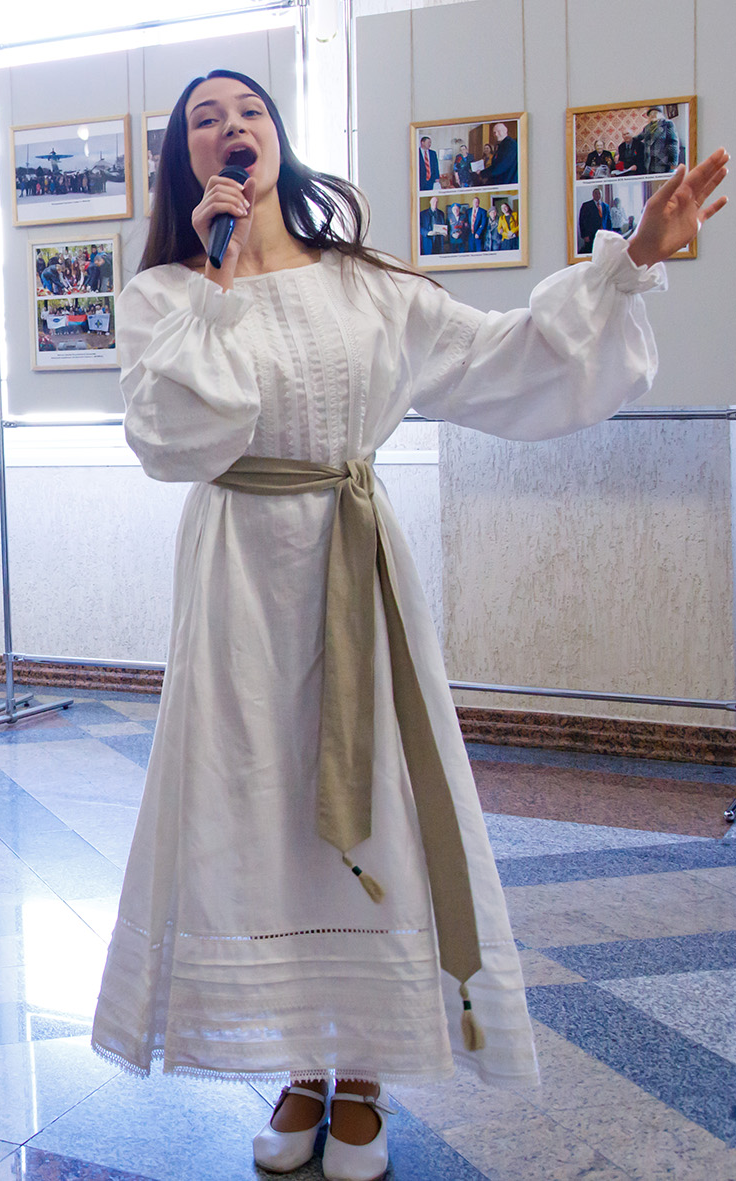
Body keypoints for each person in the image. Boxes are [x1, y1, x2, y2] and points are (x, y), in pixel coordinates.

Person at [94, 67, 726, 1181]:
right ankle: (300, 1061)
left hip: (353, 565)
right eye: (204, 120)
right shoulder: (164, 294)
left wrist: (629, 260)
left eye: (248, 110)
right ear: (184, 162)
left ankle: (365, 1071)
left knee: (370, 794)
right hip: (238, 578)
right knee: (261, 805)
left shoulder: (365, 284)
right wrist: (213, 275)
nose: (231, 127)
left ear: (278, 136)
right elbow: (173, 435)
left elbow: (501, 356)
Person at [642, 106, 681, 174]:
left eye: (655, 113)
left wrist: (673, 163)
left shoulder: (668, 124)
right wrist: (630, 137)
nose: (652, 115)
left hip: (663, 162)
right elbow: (640, 136)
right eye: (650, 114)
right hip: (649, 164)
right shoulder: (647, 128)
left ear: (660, 114)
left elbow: (673, 143)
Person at [480, 120, 518, 186]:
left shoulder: (510, 144)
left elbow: (501, 166)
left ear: (505, 131)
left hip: (508, 182)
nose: (496, 134)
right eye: (494, 132)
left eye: (499, 131)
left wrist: (482, 173)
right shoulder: (502, 144)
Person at [577, 186, 607, 254]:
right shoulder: (586, 205)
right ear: (593, 195)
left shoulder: (605, 206)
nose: (597, 195)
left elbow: (608, 221)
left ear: (601, 195)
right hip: (590, 235)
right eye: (596, 193)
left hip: (603, 235)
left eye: (599, 193)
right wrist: (585, 235)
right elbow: (582, 221)